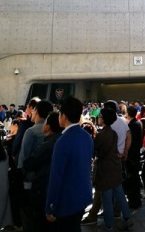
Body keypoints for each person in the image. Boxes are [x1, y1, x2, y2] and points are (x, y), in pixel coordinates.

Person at [45, 97, 93, 231]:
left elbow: (56, 176)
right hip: (83, 195)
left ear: (64, 116)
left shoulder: (62, 141)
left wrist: (50, 206)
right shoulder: (86, 136)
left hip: (67, 200)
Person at [22, 112, 64, 231]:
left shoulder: (47, 144)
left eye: (45, 122)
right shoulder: (62, 140)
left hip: (43, 187)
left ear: (48, 126)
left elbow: (29, 163)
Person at [94, 108, 133, 231]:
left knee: (106, 198)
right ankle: (127, 218)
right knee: (119, 193)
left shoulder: (101, 135)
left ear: (104, 119)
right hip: (115, 165)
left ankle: (109, 225)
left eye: (100, 116)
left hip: (105, 168)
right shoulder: (113, 133)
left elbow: (98, 152)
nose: (99, 118)